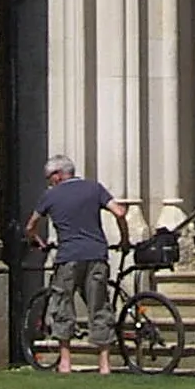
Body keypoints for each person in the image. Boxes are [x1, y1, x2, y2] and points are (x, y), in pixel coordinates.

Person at [25, 155, 128, 375]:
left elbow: (31, 226)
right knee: (99, 306)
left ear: (58, 175)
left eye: (49, 177)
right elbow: (119, 211)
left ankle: (65, 362)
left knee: (63, 305)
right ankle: (104, 364)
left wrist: (39, 242)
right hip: (97, 255)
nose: (48, 182)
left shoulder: (50, 196)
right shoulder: (95, 188)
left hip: (68, 256)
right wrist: (125, 239)